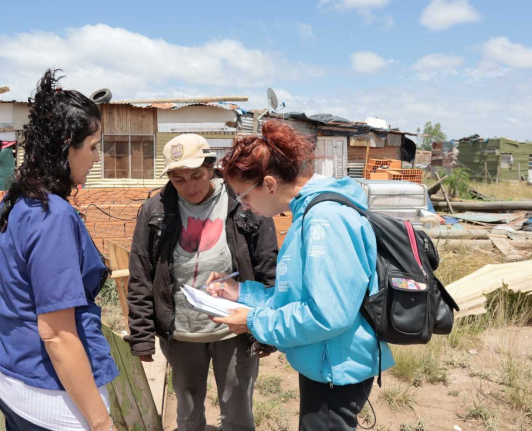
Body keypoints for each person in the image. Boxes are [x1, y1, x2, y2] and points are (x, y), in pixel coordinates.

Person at [207, 120, 395, 431]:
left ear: (268, 184)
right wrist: (239, 293)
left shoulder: (325, 220)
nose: (245, 206)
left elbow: (327, 315)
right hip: (325, 361)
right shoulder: (307, 214)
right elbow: (293, 298)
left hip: (337, 370)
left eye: (244, 196)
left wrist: (253, 321)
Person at [0, 69, 118, 431]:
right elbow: (57, 334)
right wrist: (100, 421)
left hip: (12, 373)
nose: (96, 157)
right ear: (66, 144)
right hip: (50, 399)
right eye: (92, 146)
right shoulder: (53, 216)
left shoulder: (16, 200)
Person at [126, 134, 278, 431]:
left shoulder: (242, 201)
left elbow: (266, 265)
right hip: (181, 332)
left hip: (235, 330)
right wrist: (142, 334)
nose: (190, 186)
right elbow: (141, 272)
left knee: (237, 412)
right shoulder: (155, 210)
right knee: (188, 411)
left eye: (197, 175)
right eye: (179, 179)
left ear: (211, 168)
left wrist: (265, 328)